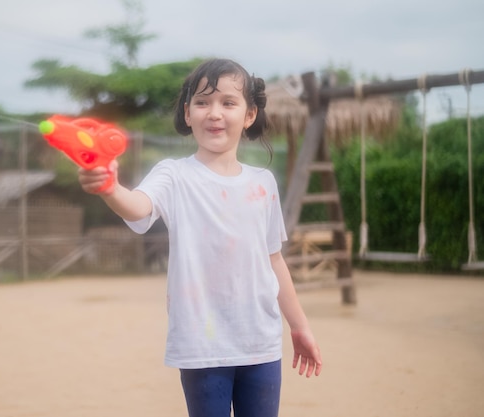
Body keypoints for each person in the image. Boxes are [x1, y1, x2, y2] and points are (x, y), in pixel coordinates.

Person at [78, 58, 322, 417]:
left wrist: (299, 327)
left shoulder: (263, 184)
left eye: (228, 102)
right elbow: (139, 206)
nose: (214, 113)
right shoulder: (174, 175)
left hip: (261, 342)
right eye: (203, 102)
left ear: (250, 114)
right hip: (201, 345)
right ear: (188, 113)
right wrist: (110, 189)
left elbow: (273, 259)